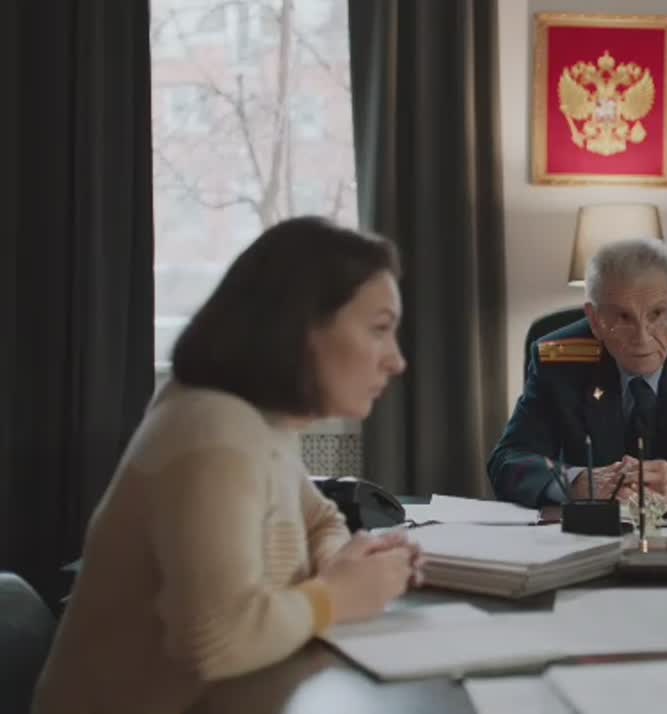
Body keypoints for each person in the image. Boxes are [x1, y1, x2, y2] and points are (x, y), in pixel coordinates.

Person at [34, 217, 420, 714]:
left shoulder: (264, 423)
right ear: (302, 326)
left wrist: (340, 565)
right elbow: (214, 641)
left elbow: (321, 518)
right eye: (380, 329)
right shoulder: (212, 433)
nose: (396, 360)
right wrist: (337, 595)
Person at [488, 237, 667, 508]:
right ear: (595, 320)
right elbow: (509, 459)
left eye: (657, 314)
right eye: (623, 317)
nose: (642, 338)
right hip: (592, 530)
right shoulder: (558, 364)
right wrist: (575, 483)